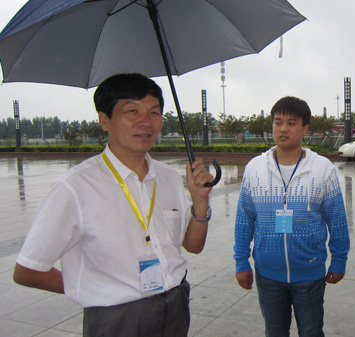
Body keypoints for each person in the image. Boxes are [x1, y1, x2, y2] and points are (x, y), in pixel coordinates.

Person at [13, 73, 214, 337]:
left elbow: (193, 246)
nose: (146, 122)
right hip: (117, 317)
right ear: (104, 120)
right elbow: (27, 270)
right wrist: (91, 287)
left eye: (154, 112)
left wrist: (200, 202)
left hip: (175, 305)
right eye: (132, 110)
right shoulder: (74, 187)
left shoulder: (168, 178)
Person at [233, 96, 350, 337]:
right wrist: (241, 261)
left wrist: (339, 260)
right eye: (278, 122)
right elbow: (244, 218)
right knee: (275, 332)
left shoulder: (322, 168)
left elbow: (336, 218)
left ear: (305, 128)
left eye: (291, 123)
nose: (283, 128)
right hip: (267, 274)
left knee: (311, 331)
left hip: (310, 273)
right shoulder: (255, 168)